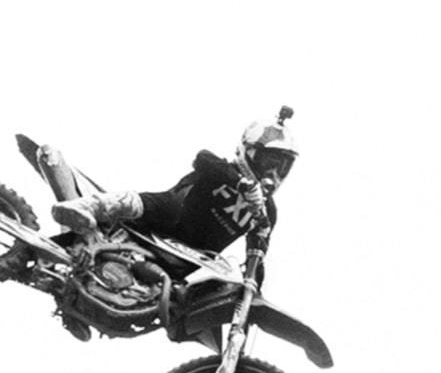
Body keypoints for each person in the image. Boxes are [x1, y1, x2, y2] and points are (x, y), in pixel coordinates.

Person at [51, 108, 296, 302]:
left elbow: (257, 252)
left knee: (210, 286)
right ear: (250, 152)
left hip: (192, 259)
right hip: (160, 223)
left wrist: (252, 290)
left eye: (283, 167)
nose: (275, 173)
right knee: (163, 205)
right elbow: (202, 159)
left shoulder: (266, 212)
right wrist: (242, 184)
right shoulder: (223, 169)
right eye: (270, 161)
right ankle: (87, 207)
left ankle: (94, 297)